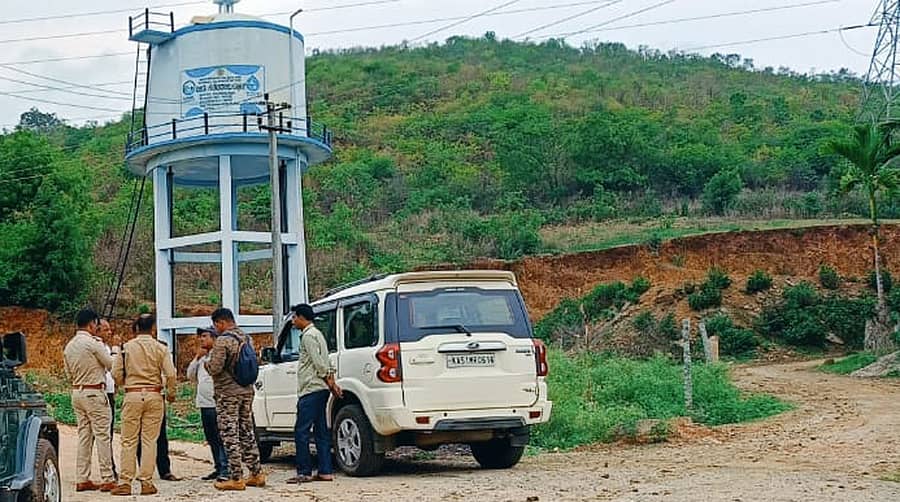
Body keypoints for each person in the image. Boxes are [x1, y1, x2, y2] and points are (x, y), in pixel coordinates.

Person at [110, 313, 177, 496]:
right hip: (154, 395)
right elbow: (171, 374)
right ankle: (146, 482)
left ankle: (125, 482)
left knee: (129, 440)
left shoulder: (125, 348)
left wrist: (124, 383)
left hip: (132, 394)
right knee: (150, 440)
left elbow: (115, 372)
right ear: (153, 328)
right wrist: (171, 394)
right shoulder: (161, 348)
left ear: (137, 328)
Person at [206, 307, 265, 491]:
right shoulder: (247, 338)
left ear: (221, 322)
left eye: (216, 325)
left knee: (229, 434)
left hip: (227, 394)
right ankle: (256, 473)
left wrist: (206, 363)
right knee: (247, 431)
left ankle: (236, 477)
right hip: (246, 391)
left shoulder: (223, 341)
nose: (215, 329)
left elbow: (215, 368)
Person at [286, 304, 342, 484]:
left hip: (311, 388)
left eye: (294, 317)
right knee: (320, 430)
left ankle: (304, 471)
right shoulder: (318, 334)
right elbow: (326, 360)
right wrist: (331, 382)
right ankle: (325, 470)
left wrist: (329, 380)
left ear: (302, 317)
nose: (293, 321)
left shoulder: (308, 336)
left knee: (301, 431)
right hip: (321, 389)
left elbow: (318, 362)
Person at [63, 308, 116, 492]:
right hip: (94, 392)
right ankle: (108, 477)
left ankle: (82, 478)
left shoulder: (69, 346)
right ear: (92, 323)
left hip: (77, 392)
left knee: (84, 436)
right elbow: (111, 364)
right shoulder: (94, 343)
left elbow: (68, 373)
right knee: (103, 435)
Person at [135, 334, 181, 482]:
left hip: (156, 397)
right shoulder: (146, 366)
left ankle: (164, 470)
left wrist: (170, 393)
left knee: (161, 436)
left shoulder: (163, 367)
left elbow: (171, 376)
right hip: (148, 395)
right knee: (141, 436)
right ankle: (144, 469)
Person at [187, 326, 230, 481]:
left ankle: (226, 469)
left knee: (221, 437)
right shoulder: (202, 358)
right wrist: (197, 358)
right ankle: (218, 467)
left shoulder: (219, 355)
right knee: (211, 437)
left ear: (214, 338)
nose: (201, 339)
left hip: (217, 403)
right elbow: (190, 376)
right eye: (201, 336)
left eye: (205, 336)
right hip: (204, 404)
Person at [97, 319, 119, 482]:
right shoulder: (99, 348)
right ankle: (109, 470)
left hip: (109, 392)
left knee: (108, 433)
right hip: (102, 394)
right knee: (105, 434)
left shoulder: (105, 347)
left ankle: (110, 467)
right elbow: (113, 366)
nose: (109, 333)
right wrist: (116, 350)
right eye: (106, 330)